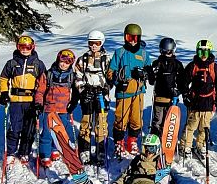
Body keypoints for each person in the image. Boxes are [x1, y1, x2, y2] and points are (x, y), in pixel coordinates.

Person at [99, 133, 176, 184]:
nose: (148, 151)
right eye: (146, 148)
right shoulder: (137, 160)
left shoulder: (161, 161)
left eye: (151, 148)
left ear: (157, 149)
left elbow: (168, 178)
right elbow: (126, 174)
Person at [0, 35, 47, 167]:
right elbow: (3, 79)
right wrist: (3, 92)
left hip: (31, 101)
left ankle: (24, 152)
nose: (25, 50)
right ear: (17, 47)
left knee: (29, 129)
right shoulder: (12, 63)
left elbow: (43, 83)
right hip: (16, 101)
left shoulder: (38, 64)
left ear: (33, 47)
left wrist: (40, 101)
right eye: (22, 47)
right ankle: (11, 152)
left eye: (28, 47)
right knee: (14, 128)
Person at [108, 22, 155, 157]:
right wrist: (118, 80)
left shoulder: (144, 54)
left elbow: (149, 71)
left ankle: (132, 140)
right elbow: (111, 71)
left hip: (138, 92)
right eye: (130, 38)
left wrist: (144, 73)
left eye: (136, 38)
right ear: (125, 38)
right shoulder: (120, 53)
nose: (133, 42)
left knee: (136, 119)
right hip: (124, 92)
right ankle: (119, 142)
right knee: (121, 119)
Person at [74, 30, 112, 165]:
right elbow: (77, 75)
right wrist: (83, 90)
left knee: (101, 123)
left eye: (96, 43)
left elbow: (111, 77)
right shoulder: (83, 59)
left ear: (101, 43)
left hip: (102, 94)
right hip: (88, 93)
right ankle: (84, 149)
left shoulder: (107, 59)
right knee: (86, 121)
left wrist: (107, 87)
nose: (94, 46)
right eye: (91, 43)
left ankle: (101, 150)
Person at [182, 39, 217, 161]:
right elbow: (184, 81)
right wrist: (186, 95)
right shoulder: (193, 66)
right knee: (191, 126)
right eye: (201, 53)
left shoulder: (213, 67)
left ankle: (200, 145)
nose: (203, 56)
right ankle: (186, 146)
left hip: (209, 101)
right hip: (195, 101)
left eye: (206, 53)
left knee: (205, 127)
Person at [35, 49, 77, 169]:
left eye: (68, 62)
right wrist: (38, 103)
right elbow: (40, 90)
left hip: (63, 109)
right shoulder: (48, 74)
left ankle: (55, 149)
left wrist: (73, 103)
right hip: (50, 109)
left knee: (60, 133)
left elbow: (76, 92)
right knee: (47, 133)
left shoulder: (72, 77)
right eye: (62, 61)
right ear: (58, 59)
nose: (64, 64)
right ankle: (45, 155)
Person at [149, 37, 188, 136]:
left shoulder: (177, 64)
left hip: (171, 98)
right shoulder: (157, 63)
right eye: (165, 51)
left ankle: (168, 142)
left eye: (169, 51)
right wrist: (150, 72)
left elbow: (182, 81)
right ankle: (156, 140)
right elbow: (151, 80)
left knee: (169, 122)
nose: (167, 54)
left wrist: (179, 91)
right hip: (159, 97)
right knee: (157, 120)